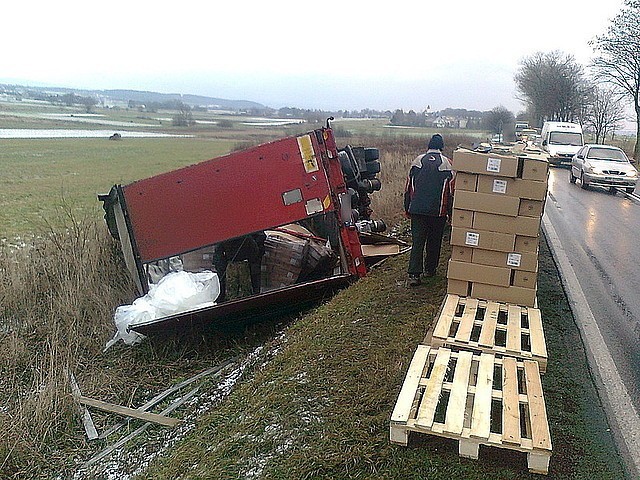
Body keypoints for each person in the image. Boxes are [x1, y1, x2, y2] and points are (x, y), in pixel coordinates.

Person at [403, 133, 455, 286]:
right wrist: (450, 214)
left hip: (417, 210)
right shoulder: (447, 164)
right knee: (434, 241)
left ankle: (414, 274)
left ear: (428, 146)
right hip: (437, 211)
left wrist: (408, 208)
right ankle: (430, 269)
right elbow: (451, 192)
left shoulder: (417, 162)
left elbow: (408, 188)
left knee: (418, 242)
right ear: (442, 147)